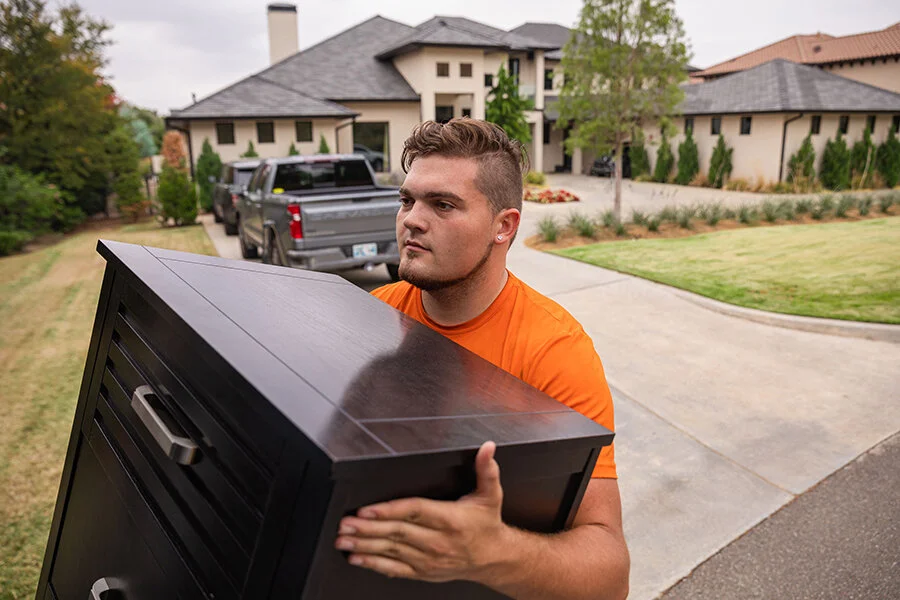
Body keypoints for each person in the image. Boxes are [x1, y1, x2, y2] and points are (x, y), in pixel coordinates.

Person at [334, 118, 629, 600]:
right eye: (407, 200)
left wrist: (493, 554)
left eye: (443, 204)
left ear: (504, 226)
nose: (412, 218)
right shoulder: (375, 312)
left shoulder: (554, 352)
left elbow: (611, 577)